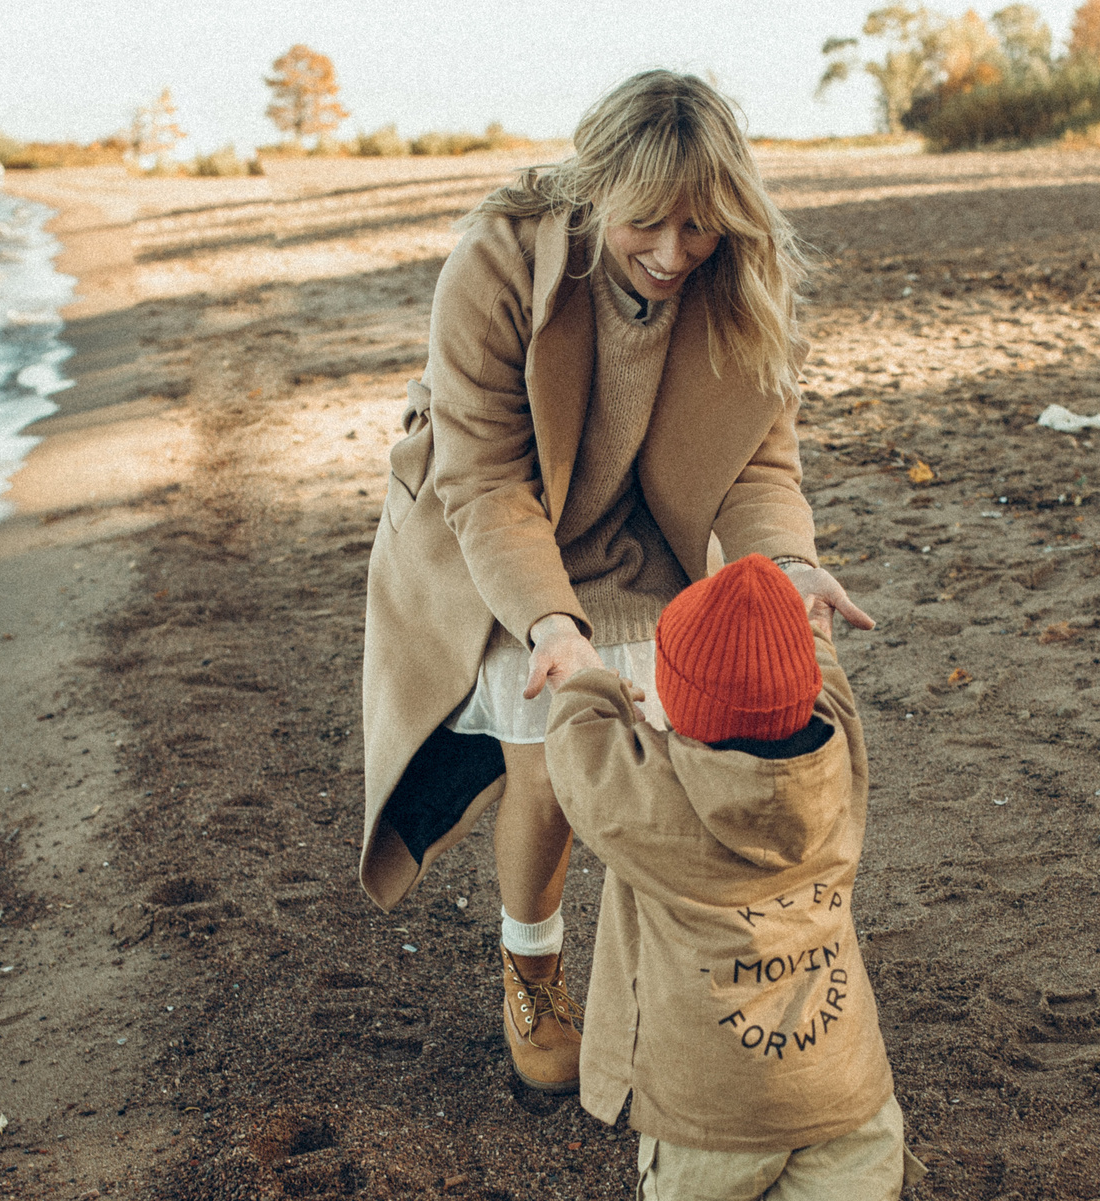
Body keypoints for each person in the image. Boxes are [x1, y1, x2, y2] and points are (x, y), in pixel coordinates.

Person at [356, 70, 870, 1096]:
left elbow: (758, 468)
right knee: (548, 767)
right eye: (647, 223)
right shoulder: (500, 261)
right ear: (596, 191)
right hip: (507, 540)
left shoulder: (741, 280)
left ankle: (672, 982)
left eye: (699, 226)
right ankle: (532, 972)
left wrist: (789, 565)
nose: (674, 253)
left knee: (681, 767)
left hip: (650, 537)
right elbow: (486, 480)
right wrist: (550, 623)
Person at [545, 554, 918, 1201]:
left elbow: (578, 756)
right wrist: (809, 626)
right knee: (848, 1198)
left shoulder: (657, 806)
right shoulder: (838, 760)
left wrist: (583, 675)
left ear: (679, 707)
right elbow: (823, 684)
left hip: (707, 1091)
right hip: (839, 1070)